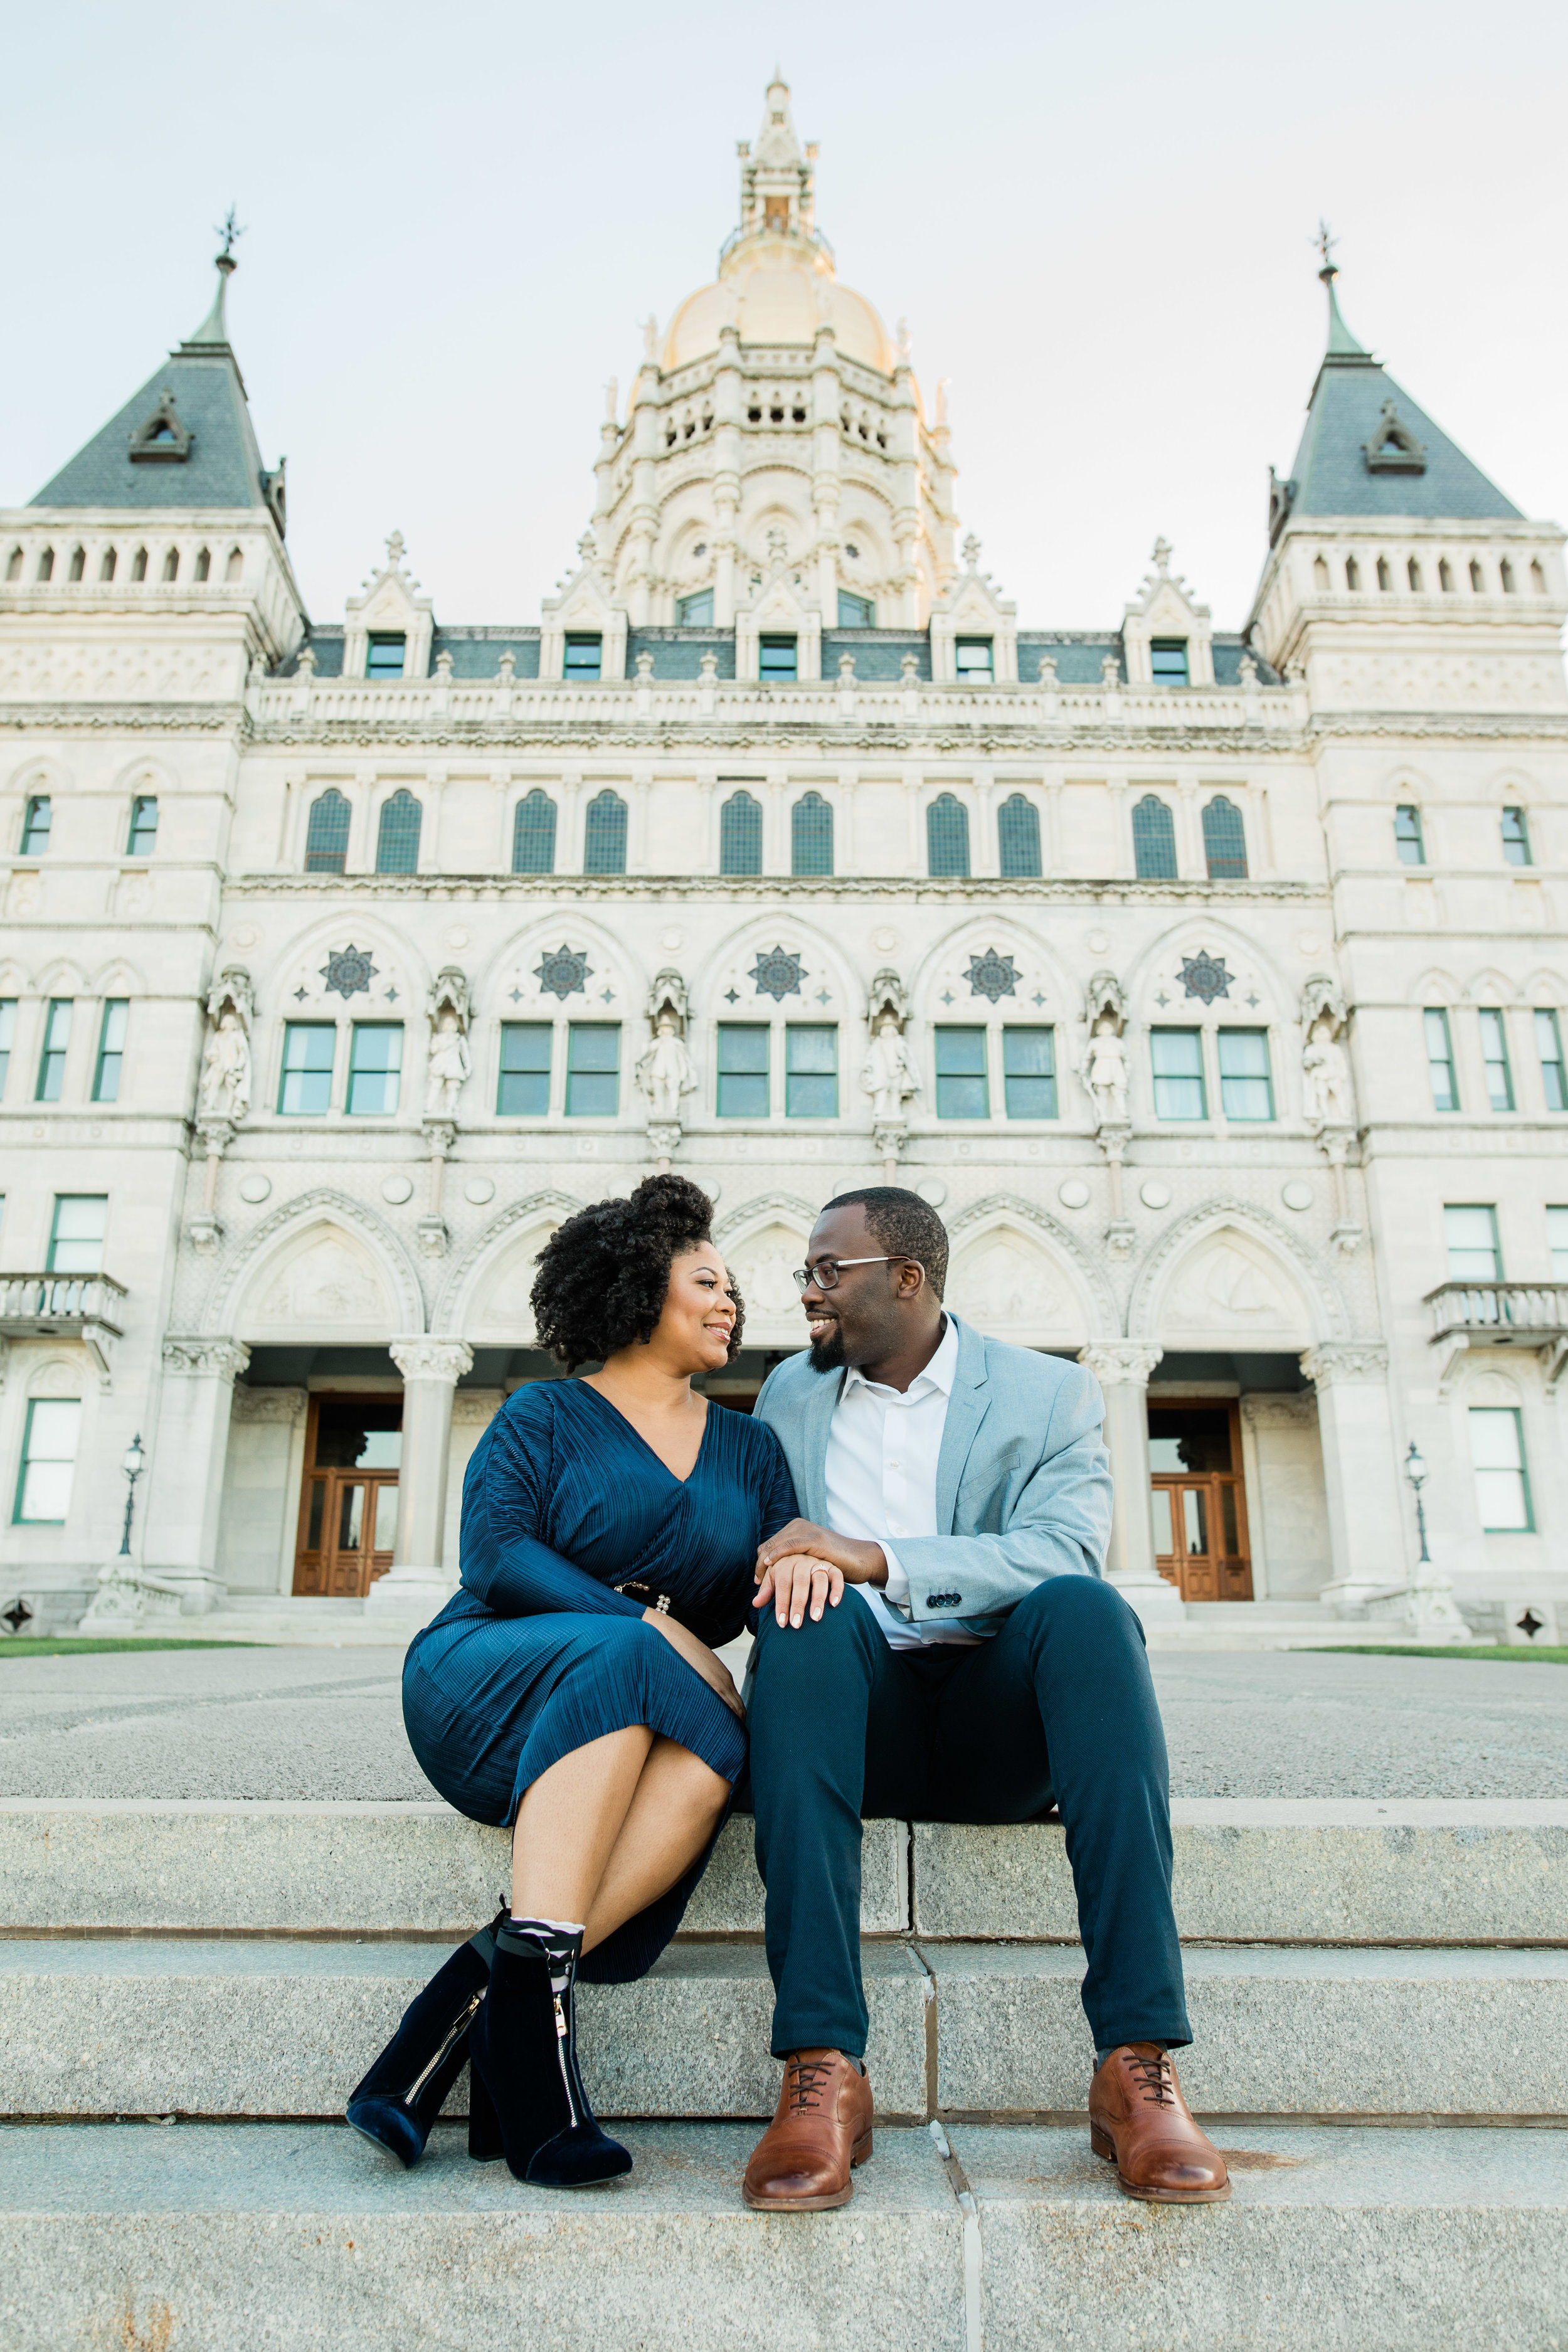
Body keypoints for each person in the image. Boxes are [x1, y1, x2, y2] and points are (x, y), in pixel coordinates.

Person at [738, 1185, 1228, 2212]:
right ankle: (822, 2070)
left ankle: (1137, 2065)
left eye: (830, 1272)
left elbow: (1057, 1549)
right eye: (807, 1274)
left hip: (997, 1724)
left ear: (907, 1279)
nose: (809, 1293)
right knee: (802, 1614)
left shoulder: (1047, 1394)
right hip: (850, 1716)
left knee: (1091, 1612)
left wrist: (874, 1556)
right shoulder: (788, 1392)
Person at [349, 1174, 796, 2188]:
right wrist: (650, 1623)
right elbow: (497, 1554)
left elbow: (762, 1591)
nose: (731, 1302)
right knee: (638, 1660)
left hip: (641, 1694)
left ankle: (464, 2010)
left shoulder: (754, 1449)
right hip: (490, 1676)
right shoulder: (541, 1415)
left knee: (722, 1742)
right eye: (707, 1281)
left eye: (733, 1288)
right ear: (640, 1289)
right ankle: (542, 2083)